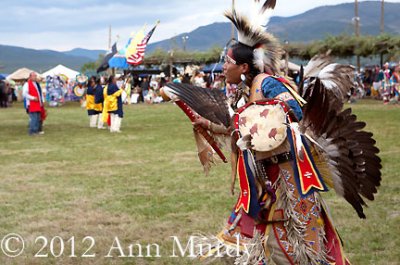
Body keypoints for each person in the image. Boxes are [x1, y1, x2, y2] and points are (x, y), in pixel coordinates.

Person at [163, 2, 381, 264]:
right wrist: (207, 124)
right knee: (245, 247)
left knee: (304, 253)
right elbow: (241, 130)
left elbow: (295, 110)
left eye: (227, 62)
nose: (223, 67)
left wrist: (261, 113)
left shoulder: (268, 83)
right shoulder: (246, 93)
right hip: (264, 182)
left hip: (289, 182)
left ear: (244, 67)